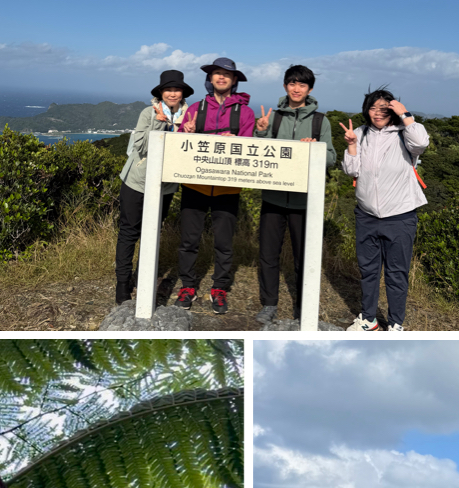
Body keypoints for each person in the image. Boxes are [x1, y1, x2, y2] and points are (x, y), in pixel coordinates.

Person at [254, 65, 337, 326]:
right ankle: (269, 304)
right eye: (292, 83)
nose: (296, 88)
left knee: (305, 256)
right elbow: (259, 151)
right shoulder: (275, 117)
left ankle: (304, 307)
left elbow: (332, 157)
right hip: (272, 197)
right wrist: (260, 130)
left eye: (302, 84)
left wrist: (316, 151)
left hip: (305, 201)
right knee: (268, 254)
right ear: (284, 86)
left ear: (310, 89)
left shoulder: (319, 121)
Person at [340, 88, 429, 332]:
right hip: (367, 215)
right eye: (372, 108)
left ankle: (396, 324)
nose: (377, 113)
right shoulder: (359, 133)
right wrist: (351, 145)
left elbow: (421, 143)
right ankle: (369, 319)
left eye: (383, 108)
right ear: (366, 110)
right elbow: (351, 171)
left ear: (392, 110)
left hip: (400, 216)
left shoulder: (405, 134)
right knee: (368, 271)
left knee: (396, 273)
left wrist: (405, 114)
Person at [174, 57, 255, 313]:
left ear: (235, 80)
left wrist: (237, 141)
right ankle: (187, 286)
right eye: (216, 73)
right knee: (188, 240)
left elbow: (250, 148)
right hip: (194, 184)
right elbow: (179, 147)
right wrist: (184, 132)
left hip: (227, 187)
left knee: (224, 242)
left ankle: (219, 288)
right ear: (210, 79)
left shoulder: (245, 112)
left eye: (226, 74)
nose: (221, 77)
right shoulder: (195, 109)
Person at [114, 69, 189, 306]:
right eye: (168, 89)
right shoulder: (148, 113)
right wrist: (159, 123)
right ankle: (123, 283)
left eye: (177, 89)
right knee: (129, 233)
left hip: (164, 186)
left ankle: (142, 277)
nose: (173, 93)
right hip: (137, 182)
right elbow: (143, 147)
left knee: (151, 233)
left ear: (183, 92)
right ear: (161, 92)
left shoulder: (189, 116)